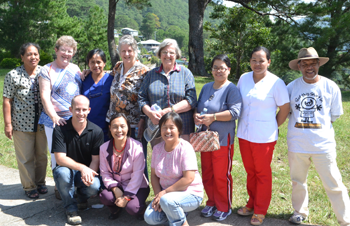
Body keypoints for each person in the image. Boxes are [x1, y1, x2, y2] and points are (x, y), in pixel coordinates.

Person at [286, 47, 350, 225]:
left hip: (323, 145)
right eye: (304, 63)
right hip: (297, 144)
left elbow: (334, 116)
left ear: (318, 64)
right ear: (299, 66)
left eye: (312, 63)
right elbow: (286, 111)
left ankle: (345, 219)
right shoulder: (291, 87)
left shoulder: (330, 87)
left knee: (334, 183)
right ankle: (300, 212)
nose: (309, 67)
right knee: (298, 181)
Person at [236, 46, 290, 225]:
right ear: (249, 61)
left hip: (264, 137)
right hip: (244, 133)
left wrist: (274, 125)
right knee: (250, 172)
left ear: (269, 61)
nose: (257, 64)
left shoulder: (276, 82)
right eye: (254, 60)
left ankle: (260, 210)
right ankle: (251, 204)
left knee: (262, 173)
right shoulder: (244, 78)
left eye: (261, 60)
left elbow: (285, 108)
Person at [194, 54, 242, 221]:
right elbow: (199, 106)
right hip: (206, 139)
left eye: (222, 68)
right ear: (212, 70)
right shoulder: (207, 87)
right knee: (207, 172)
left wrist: (213, 117)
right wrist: (196, 116)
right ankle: (211, 201)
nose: (219, 71)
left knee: (221, 174)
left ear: (228, 70)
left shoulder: (231, 89)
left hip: (223, 140)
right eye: (216, 68)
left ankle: (224, 206)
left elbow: (235, 112)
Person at [2, 43, 48, 199]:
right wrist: (8, 124)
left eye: (35, 54)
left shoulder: (45, 72)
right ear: (22, 57)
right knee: (26, 157)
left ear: (39, 56)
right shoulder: (13, 75)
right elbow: (7, 100)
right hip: (22, 123)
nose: (33, 57)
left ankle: (40, 182)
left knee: (41, 155)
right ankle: (29, 186)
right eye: (29, 54)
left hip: (42, 123)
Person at [144, 112, 204, 226]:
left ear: (179, 130)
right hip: (166, 196)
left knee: (168, 201)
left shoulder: (186, 148)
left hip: (190, 193)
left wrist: (164, 193)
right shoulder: (157, 149)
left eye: (172, 128)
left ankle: (181, 223)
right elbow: (154, 176)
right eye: (164, 128)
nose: (167, 131)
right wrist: (158, 196)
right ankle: (177, 212)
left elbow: (188, 178)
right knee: (150, 218)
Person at [52, 95, 104, 225]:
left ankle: (81, 198)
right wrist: (82, 167)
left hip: (84, 172)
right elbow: (60, 158)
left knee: (95, 185)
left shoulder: (96, 131)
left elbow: (95, 159)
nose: (81, 113)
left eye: (84, 109)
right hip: (66, 169)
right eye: (77, 109)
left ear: (89, 110)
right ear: (71, 109)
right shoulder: (60, 129)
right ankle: (70, 209)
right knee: (62, 173)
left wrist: (89, 174)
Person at [138, 38, 197, 147]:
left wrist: (170, 110)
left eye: (171, 52)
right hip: (157, 128)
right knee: (160, 162)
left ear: (177, 55)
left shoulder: (186, 73)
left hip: (182, 128)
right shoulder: (151, 75)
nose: (167, 55)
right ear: (159, 54)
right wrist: (150, 114)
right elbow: (141, 98)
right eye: (164, 52)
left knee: (181, 161)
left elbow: (191, 100)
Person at [38, 35, 81, 178]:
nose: (67, 54)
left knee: (74, 152)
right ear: (56, 50)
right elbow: (44, 96)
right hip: (54, 120)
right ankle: (59, 185)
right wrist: (54, 117)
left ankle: (74, 184)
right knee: (56, 153)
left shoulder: (75, 68)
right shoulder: (46, 69)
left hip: (74, 119)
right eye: (63, 50)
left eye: (70, 51)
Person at [106, 35, 149, 177]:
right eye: (123, 51)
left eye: (130, 50)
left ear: (135, 51)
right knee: (117, 157)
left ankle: (140, 189)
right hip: (114, 121)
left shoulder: (144, 71)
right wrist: (88, 72)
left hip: (134, 123)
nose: (126, 54)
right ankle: (118, 186)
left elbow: (146, 97)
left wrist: (143, 120)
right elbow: (107, 76)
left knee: (136, 158)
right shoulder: (118, 67)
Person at [99, 113, 150, 220]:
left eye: (122, 126)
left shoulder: (137, 147)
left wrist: (126, 197)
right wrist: (115, 188)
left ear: (127, 126)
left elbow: (137, 175)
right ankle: (116, 208)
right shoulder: (103, 148)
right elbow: (104, 173)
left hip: (138, 186)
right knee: (105, 196)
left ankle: (141, 210)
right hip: (118, 185)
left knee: (132, 208)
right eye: (115, 127)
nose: (119, 130)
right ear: (110, 128)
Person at [81, 49, 113, 141]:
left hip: (106, 128)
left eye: (99, 62)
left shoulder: (111, 79)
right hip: (86, 127)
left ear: (104, 63)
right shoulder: (83, 79)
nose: (96, 65)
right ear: (88, 64)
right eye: (92, 62)